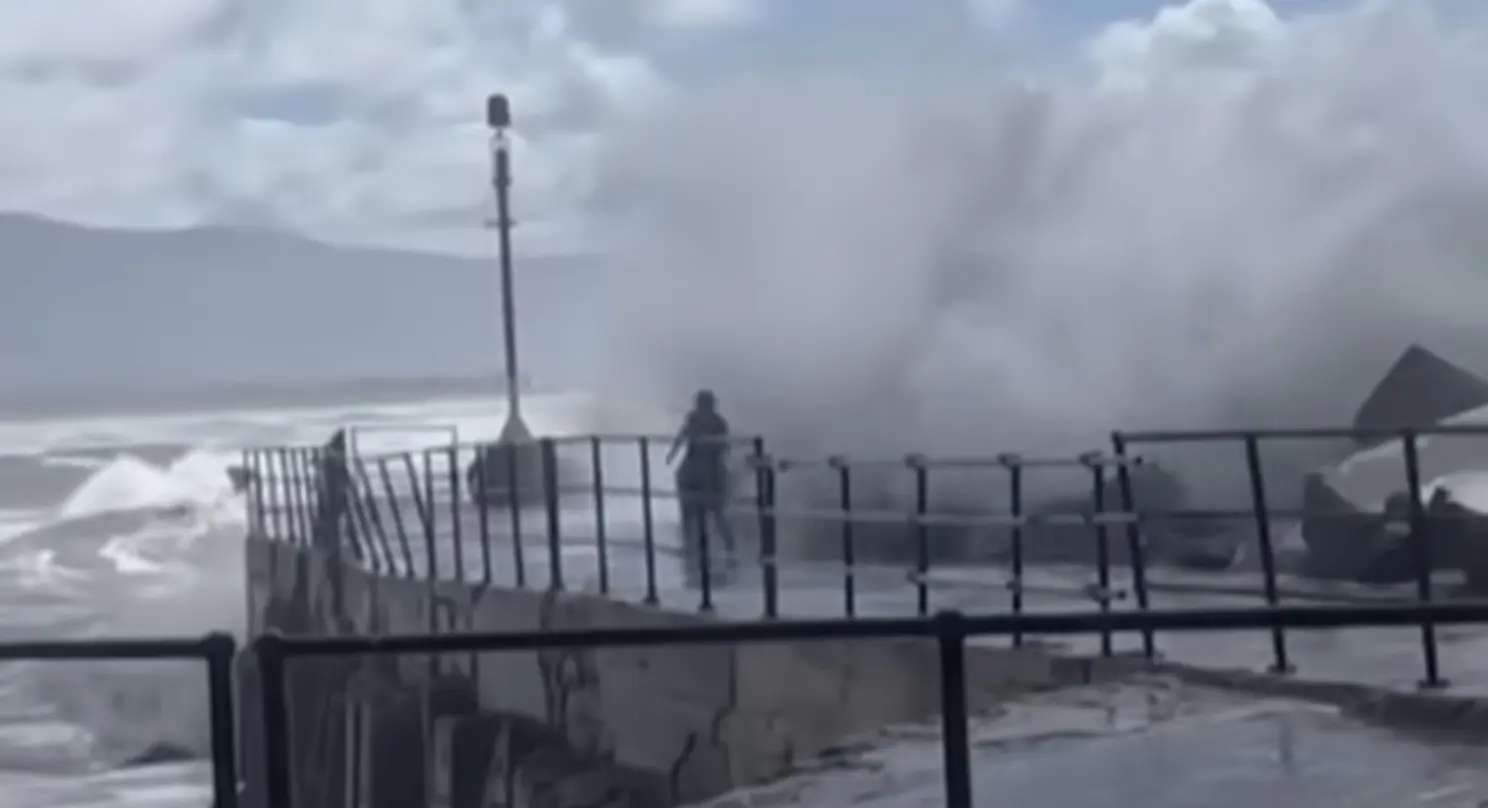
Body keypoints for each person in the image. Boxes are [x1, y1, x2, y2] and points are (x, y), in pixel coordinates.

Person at [667, 389, 737, 556]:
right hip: (698, 470)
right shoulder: (707, 420)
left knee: (711, 512)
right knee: (699, 511)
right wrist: (672, 453)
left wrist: (672, 453)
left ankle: (725, 546)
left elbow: (723, 447)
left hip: (705, 470)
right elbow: (684, 435)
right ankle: (701, 546)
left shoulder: (715, 422)